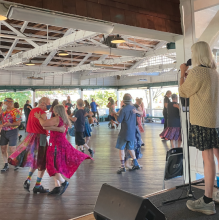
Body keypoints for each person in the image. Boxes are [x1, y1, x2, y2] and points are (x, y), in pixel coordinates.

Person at [179, 41, 219, 215]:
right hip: (215, 120)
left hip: (202, 120)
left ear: (197, 53)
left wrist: (182, 74)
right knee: (217, 155)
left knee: (208, 158)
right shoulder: (214, 72)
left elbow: (183, 92)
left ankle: (207, 200)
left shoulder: (196, 72)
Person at [8, 97, 65, 193]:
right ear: (42, 103)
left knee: (36, 159)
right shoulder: (41, 113)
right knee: (42, 161)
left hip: (31, 137)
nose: (49, 105)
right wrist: (58, 128)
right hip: (40, 138)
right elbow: (44, 125)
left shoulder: (32, 111)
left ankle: (28, 180)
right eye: (48, 103)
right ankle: (38, 185)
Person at [34, 104, 92, 195]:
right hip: (60, 145)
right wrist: (55, 128)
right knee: (55, 165)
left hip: (55, 146)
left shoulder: (57, 119)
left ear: (56, 111)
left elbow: (43, 124)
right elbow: (46, 127)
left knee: (51, 166)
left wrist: (38, 117)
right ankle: (57, 186)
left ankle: (63, 182)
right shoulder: (64, 120)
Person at [115, 93, 141, 174]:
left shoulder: (123, 109)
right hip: (132, 132)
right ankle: (136, 163)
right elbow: (140, 114)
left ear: (123, 101)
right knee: (130, 148)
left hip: (124, 132)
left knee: (121, 149)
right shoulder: (134, 108)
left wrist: (115, 115)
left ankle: (122, 167)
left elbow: (119, 120)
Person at [0, 98, 22, 171]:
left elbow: (18, 123)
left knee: (12, 148)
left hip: (13, 131)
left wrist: (10, 124)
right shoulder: (3, 112)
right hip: (3, 131)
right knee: (3, 148)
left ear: (10, 103)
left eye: (5, 103)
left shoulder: (16, 112)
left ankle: (16, 162)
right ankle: (6, 164)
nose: (4, 105)